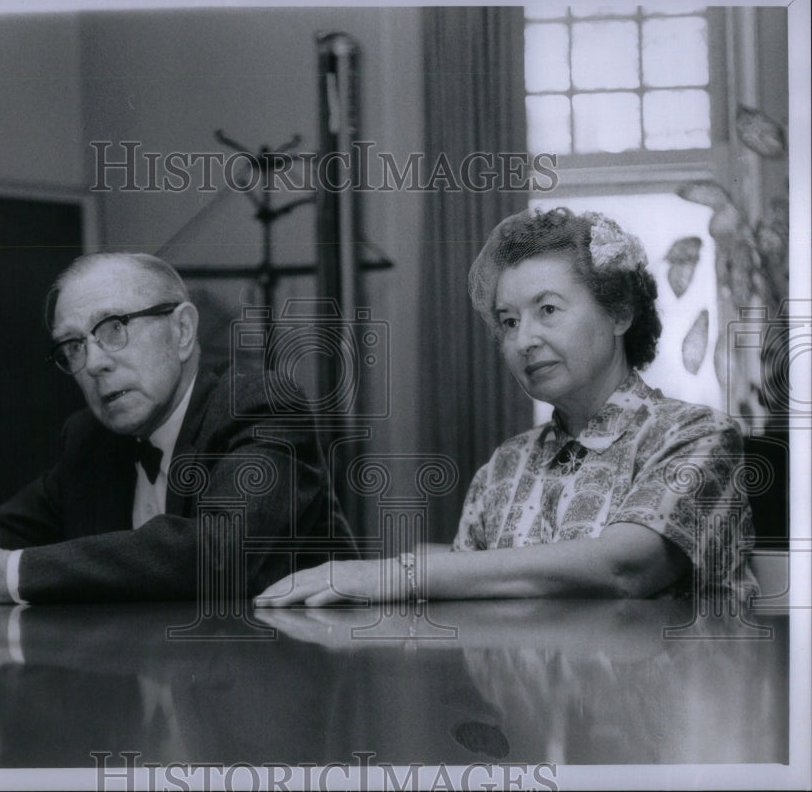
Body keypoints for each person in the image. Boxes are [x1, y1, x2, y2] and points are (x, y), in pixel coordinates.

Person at [255, 207, 759, 606]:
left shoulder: (694, 436)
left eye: (547, 310)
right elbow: (468, 607)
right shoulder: (503, 468)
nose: (524, 341)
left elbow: (623, 568)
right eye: (508, 322)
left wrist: (401, 572)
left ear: (620, 312)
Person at [0, 252, 356, 604]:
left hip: (269, 720)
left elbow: (215, 554)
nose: (94, 364)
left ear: (181, 331)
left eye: (113, 329)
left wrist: (4, 575)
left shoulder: (260, 405)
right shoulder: (89, 439)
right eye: (73, 346)